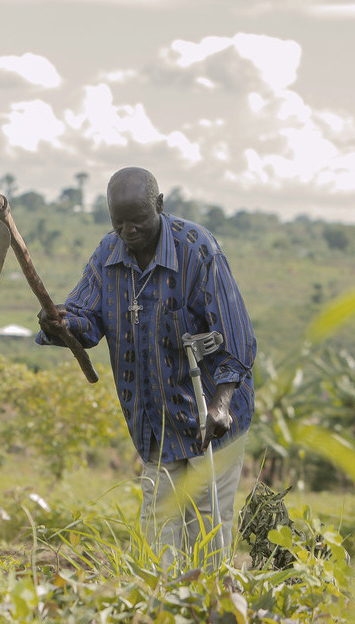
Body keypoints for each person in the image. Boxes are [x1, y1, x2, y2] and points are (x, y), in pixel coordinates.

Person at [37, 167, 256, 570]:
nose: (128, 230)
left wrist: (222, 403)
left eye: (138, 219)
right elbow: (87, 320)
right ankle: (160, 606)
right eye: (118, 221)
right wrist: (60, 323)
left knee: (206, 528)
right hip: (155, 422)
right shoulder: (107, 255)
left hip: (211, 419)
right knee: (158, 529)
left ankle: (209, 605)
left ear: (159, 205)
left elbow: (237, 338)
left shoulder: (197, 249)